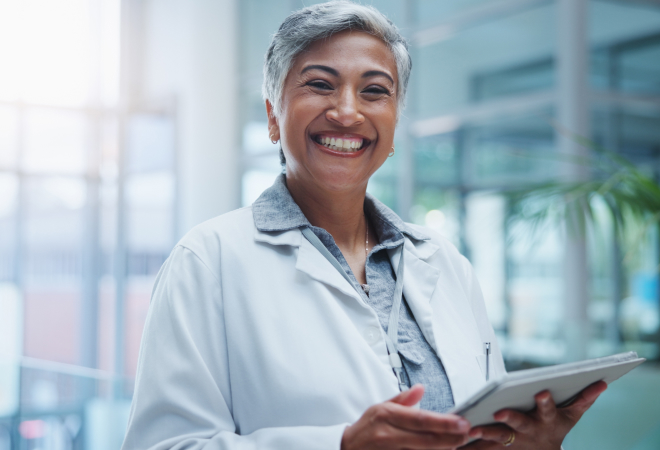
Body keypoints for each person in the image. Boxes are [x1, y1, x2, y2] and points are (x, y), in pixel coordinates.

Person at [121, 2, 607, 449]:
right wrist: (341, 445)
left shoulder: (444, 262)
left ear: (394, 124)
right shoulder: (208, 261)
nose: (348, 111)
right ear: (273, 116)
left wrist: (525, 444)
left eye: (375, 91)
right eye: (319, 84)